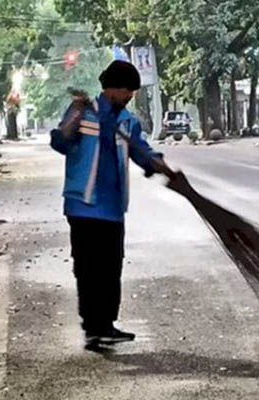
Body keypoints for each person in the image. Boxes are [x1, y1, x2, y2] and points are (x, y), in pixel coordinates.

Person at [50, 60, 172, 350]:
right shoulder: (84, 111)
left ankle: (106, 325)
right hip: (83, 203)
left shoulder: (127, 121)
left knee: (111, 268)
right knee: (87, 268)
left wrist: (157, 163)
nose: (130, 96)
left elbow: (141, 150)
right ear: (112, 89)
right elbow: (60, 143)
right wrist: (73, 120)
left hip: (113, 207)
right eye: (126, 91)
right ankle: (93, 328)